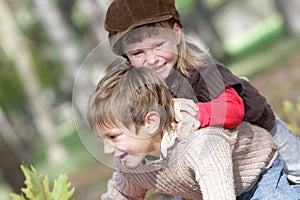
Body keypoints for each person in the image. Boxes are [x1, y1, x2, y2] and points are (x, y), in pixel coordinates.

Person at [103, 0, 300, 185]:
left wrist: (190, 113)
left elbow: (232, 109)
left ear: (176, 34)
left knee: (296, 172)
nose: (152, 59)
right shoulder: (140, 88)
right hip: (214, 159)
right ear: (127, 57)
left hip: (262, 136)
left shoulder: (202, 69)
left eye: (158, 45)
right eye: (138, 53)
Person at [87, 63, 300, 199]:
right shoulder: (132, 162)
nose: (108, 149)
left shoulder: (201, 146)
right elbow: (122, 193)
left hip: (258, 177)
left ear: (150, 122)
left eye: (114, 136)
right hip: (202, 188)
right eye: (103, 139)